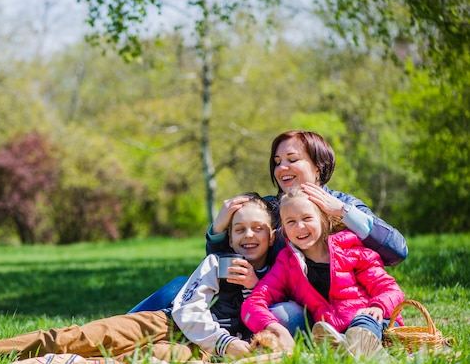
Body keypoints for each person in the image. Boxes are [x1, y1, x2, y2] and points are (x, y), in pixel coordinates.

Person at [0, 193, 278, 364]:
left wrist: (252, 289)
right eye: (239, 229)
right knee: (81, 336)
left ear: (272, 235)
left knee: (140, 362)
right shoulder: (217, 262)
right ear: (230, 238)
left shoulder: (278, 272)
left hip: (206, 353)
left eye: (258, 229)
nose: (249, 236)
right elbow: (189, 309)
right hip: (167, 323)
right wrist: (221, 341)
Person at [130, 130, 408, 327]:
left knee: (288, 313)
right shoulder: (268, 208)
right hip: (260, 301)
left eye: (291, 159)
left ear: (318, 167)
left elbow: (398, 251)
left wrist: (342, 213)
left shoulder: (344, 205)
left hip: (320, 310)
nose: (281, 167)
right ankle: (116, 330)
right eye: (277, 162)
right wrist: (219, 228)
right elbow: (219, 263)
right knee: (180, 287)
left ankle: (167, 333)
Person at [240, 188, 405, 358]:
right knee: (323, 332)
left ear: (323, 219)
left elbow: (390, 289)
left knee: (362, 323)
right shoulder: (286, 263)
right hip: (332, 332)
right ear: (283, 229)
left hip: (375, 322)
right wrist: (275, 328)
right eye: (290, 222)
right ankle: (349, 350)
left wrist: (377, 306)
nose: (300, 227)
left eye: (307, 218)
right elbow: (252, 303)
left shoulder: (351, 249)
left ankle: (361, 347)